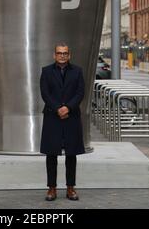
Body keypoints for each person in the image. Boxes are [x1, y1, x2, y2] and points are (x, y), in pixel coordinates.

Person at [40, 43, 85, 202]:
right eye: (59, 53)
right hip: (53, 116)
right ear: (54, 55)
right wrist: (58, 108)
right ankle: (51, 189)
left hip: (71, 116)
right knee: (51, 154)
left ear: (69, 55)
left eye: (65, 53)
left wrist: (68, 108)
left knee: (71, 154)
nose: (62, 56)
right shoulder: (46, 71)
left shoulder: (77, 71)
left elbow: (80, 92)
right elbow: (45, 93)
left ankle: (70, 188)